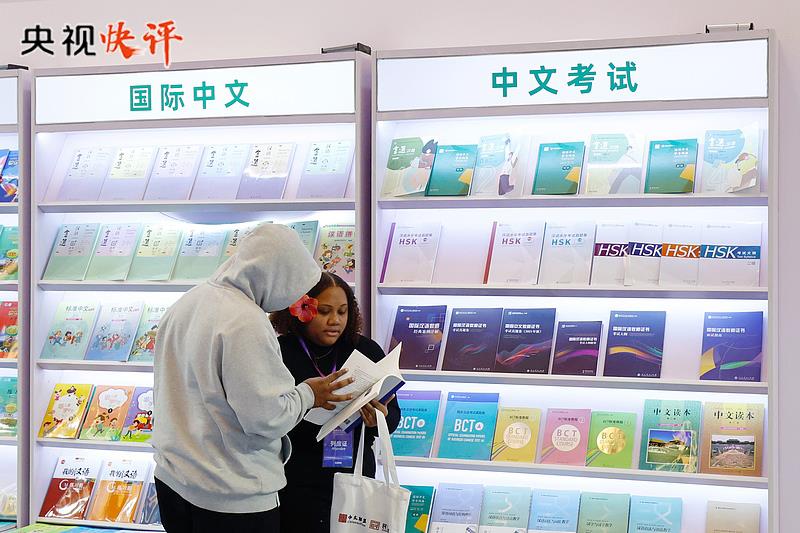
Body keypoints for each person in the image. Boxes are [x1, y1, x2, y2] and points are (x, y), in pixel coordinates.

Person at [152, 224, 354, 533]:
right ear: (278, 276)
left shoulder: (189, 301)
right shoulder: (245, 322)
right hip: (231, 491)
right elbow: (266, 417)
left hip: (174, 476)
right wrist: (309, 394)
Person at [270, 272, 401, 532]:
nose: (335, 321)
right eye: (324, 311)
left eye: (342, 311)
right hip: (296, 480)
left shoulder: (366, 350)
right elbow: (268, 417)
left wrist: (379, 418)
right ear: (301, 310)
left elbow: (393, 418)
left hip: (354, 477)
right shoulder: (280, 352)